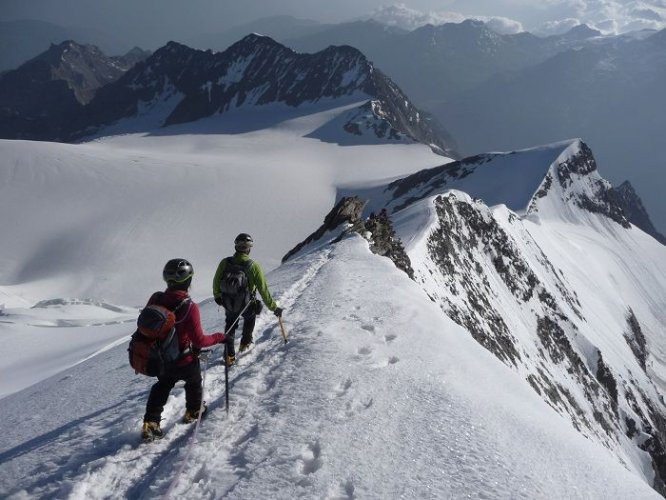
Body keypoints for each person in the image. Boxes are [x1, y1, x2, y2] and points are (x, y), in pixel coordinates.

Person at [141, 258, 226, 441]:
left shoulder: (156, 298)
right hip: (184, 359)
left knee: (162, 385)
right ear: (189, 280)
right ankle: (194, 410)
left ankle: (151, 422)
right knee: (194, 380)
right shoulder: (189, 306)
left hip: (162, 358)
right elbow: (200, 340)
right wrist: (220, 337)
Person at [212, 233, 283, 366]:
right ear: (249, 248)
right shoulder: (253, 266)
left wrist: (218, 296)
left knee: (230, 325)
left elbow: (216, 281)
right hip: (246, 303)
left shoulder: (225, 262)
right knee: (250, 318)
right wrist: (274, 307)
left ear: (236, 246)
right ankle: (245, 343)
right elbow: (263, 289)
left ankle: (229, 356)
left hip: (228, 301)